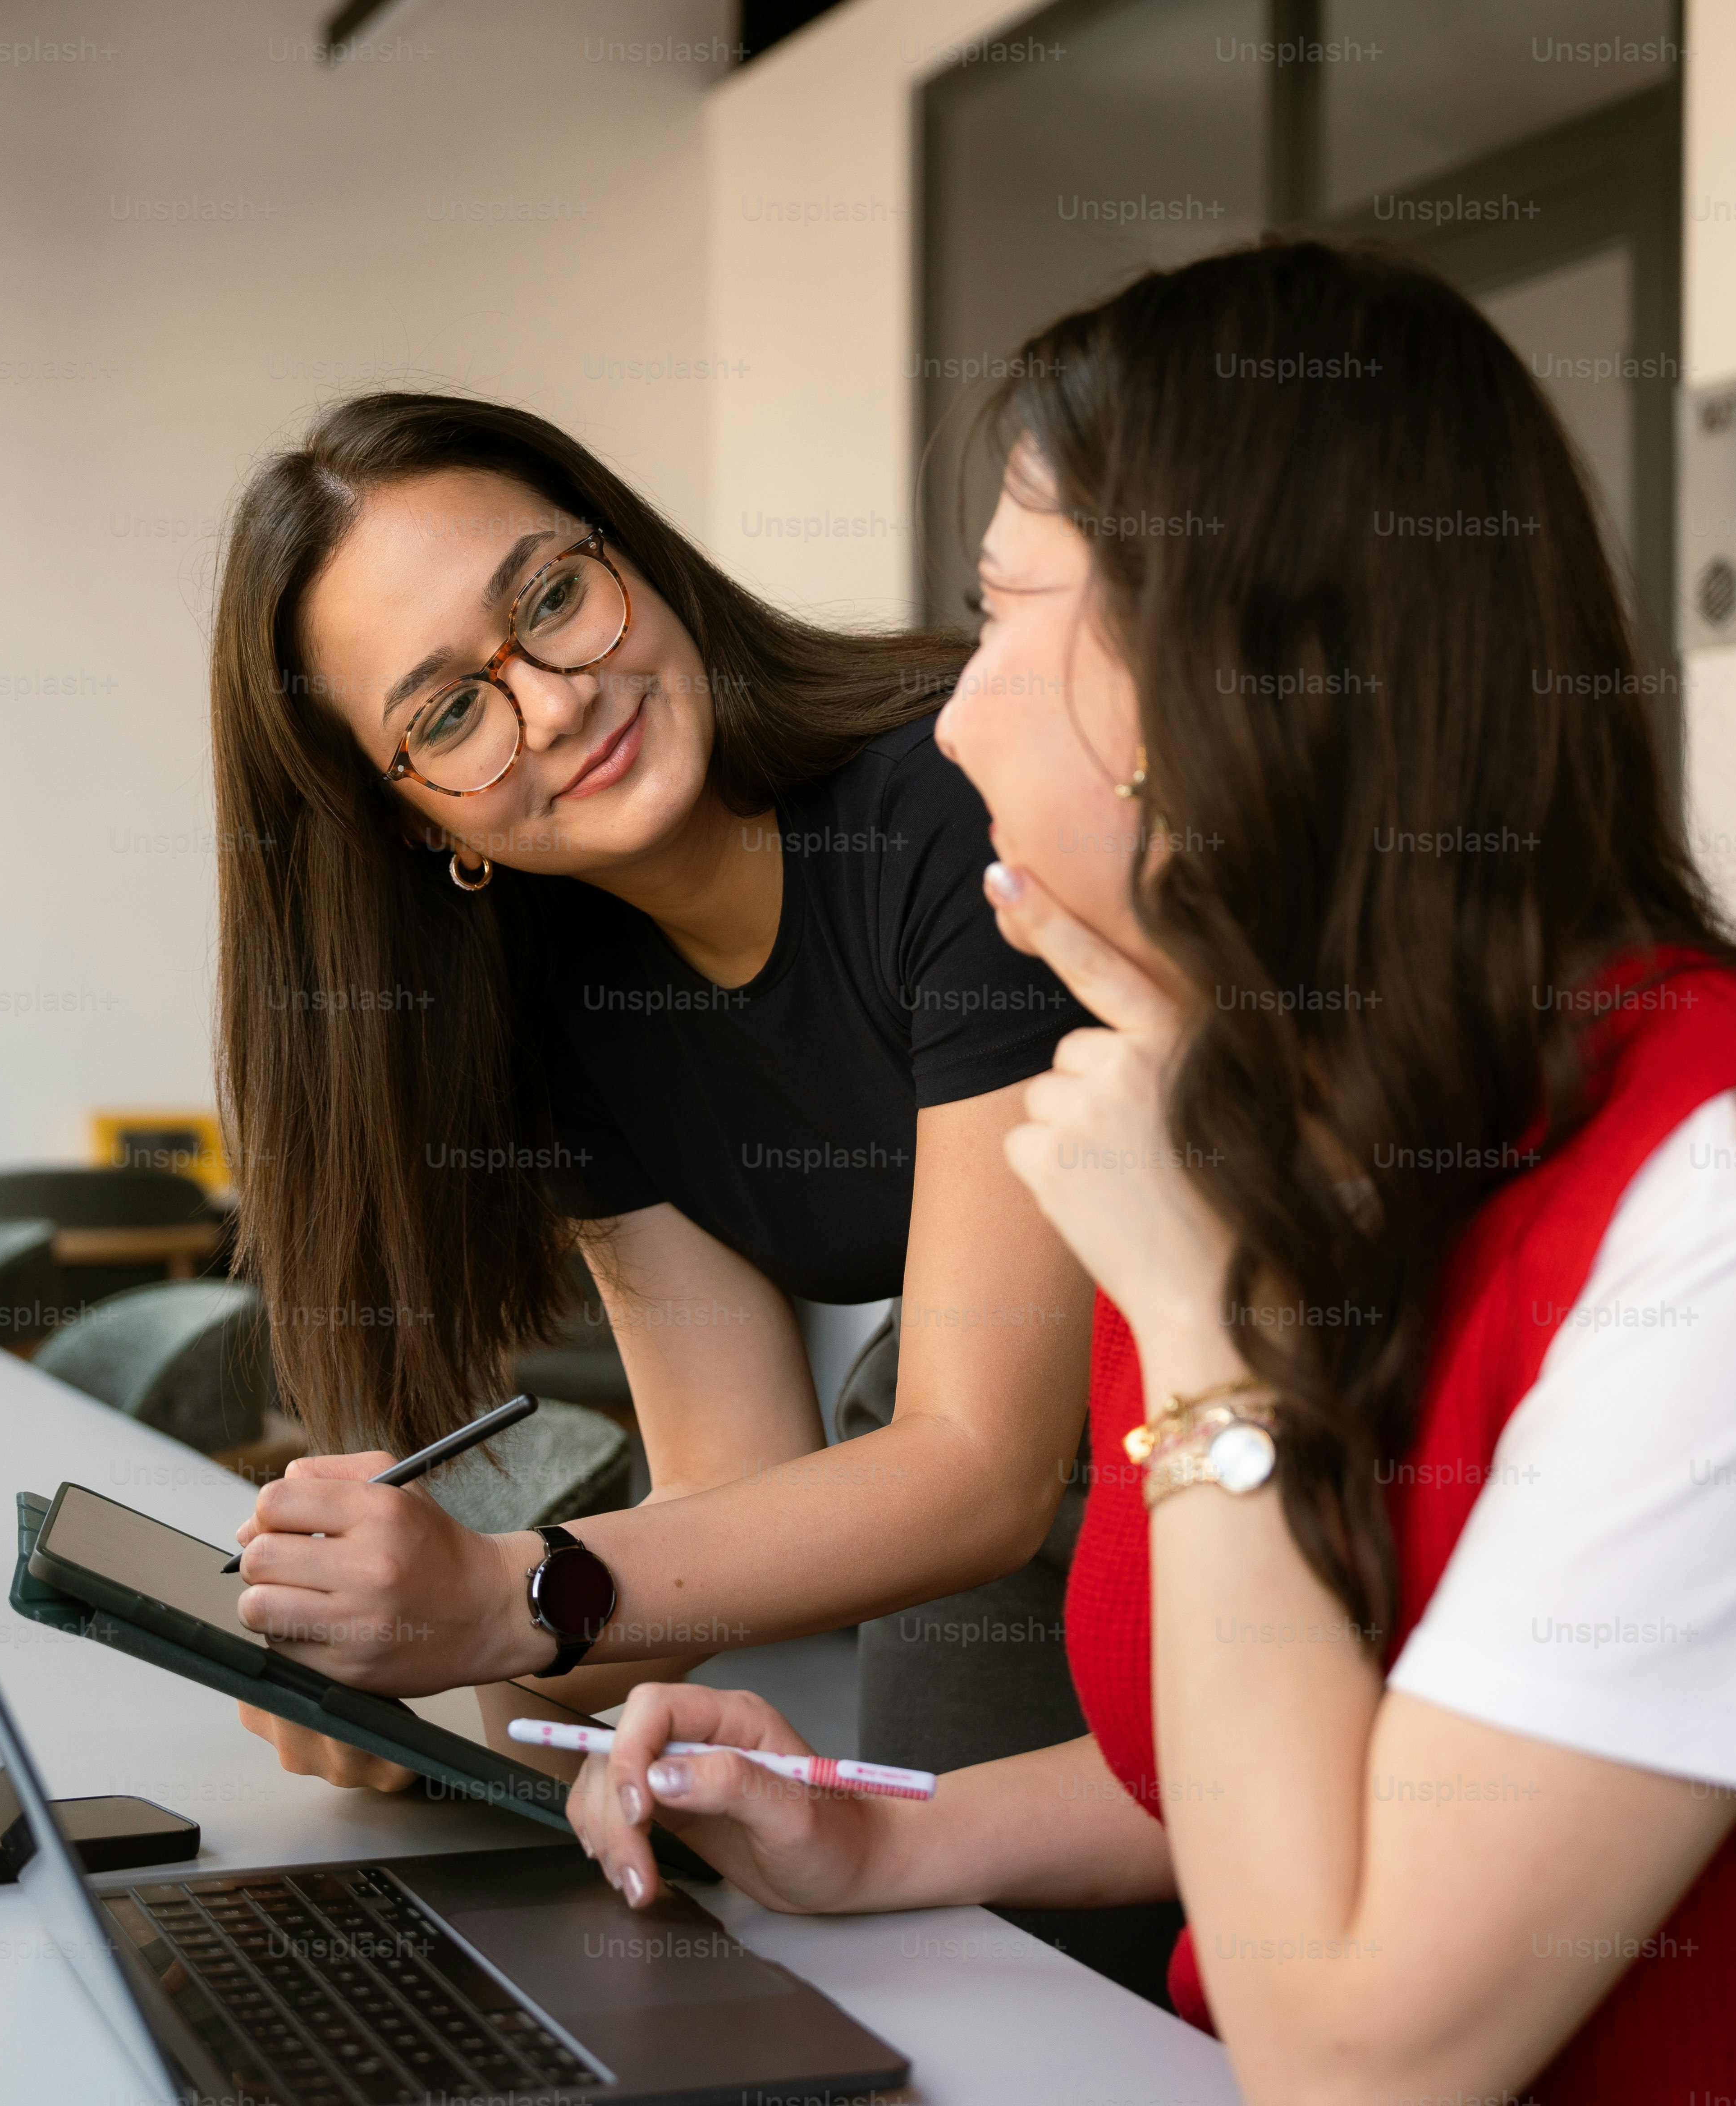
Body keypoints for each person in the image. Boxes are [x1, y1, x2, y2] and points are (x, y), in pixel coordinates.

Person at [560, 240, 1736, 2102]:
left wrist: (1202, 1332)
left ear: (1232, 690)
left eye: (1004, 617)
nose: (949, 713)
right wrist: (881, 1836)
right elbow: (1292, 1742)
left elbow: (1364, 2059)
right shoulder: (1275, 1103)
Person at [203, 396, 1092, 1786]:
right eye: (452, 713)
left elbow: (982, 1465)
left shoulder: (943, 810)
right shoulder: (570, 1000)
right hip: (1009, 1489)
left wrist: (501, 1599)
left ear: (632, 554)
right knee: (960, 1910)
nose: (559, 703)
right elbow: (729, 1471)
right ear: (408, 819)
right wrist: (428, 1675)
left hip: (1299, 1426)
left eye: (553, 597)